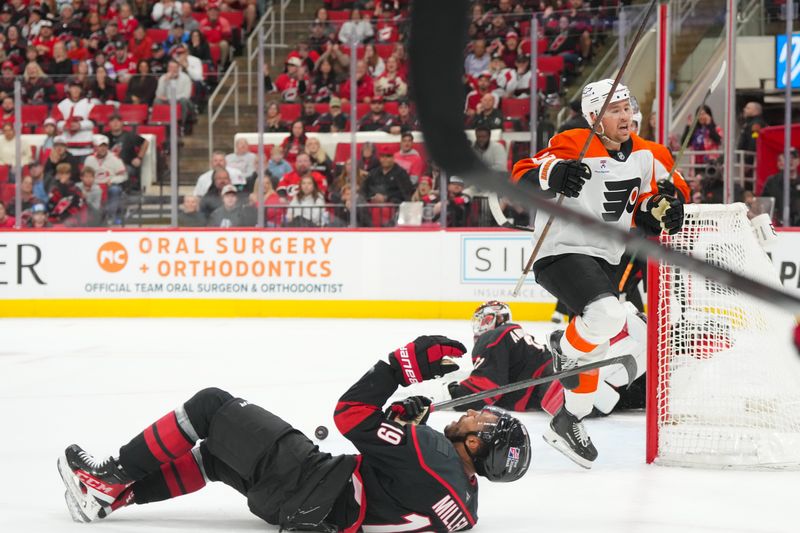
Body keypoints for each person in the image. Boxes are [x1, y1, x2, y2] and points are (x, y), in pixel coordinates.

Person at [58, 335, 531, 530]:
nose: (477, 413)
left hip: (304, 479)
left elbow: (349, 414)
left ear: (476, 444)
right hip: (308, 513)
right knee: (215, 456)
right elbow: (407, 478)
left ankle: (111, 478)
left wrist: (400, 367)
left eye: (485, 422)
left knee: (211, 406)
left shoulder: (429, 452)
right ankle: (119, 501)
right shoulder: (465, 506)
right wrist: (407, 420)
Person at [510, 79, 683, 468]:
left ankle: (569, 418)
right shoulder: (574, 142)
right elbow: (522, 171)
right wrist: (552, 176)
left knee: (601, 342)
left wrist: (663, 208)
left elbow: (651, 202)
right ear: (593, 118)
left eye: (627, 107)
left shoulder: (646, 153)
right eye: (613, 109)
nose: (624, 116)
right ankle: (564, 348)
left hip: (606, 256)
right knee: (608, 317)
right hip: (561, 251)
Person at [83, 134, 128, 224]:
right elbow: (85, 175)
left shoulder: (115, 158)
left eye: (105, 146)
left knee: (114, 190)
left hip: (109, 185)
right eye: (100, 146)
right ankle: (90, 217)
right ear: (95, 147)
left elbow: (124, 176)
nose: (103, 149)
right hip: (93, 185)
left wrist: (112, 180)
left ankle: (111, 216)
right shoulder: (89, 159)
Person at [106, 114, 148, 191]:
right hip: (109, 166)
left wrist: (139, 158)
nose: (115, 123)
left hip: (127, 165)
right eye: (112, 121)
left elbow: (145, 142)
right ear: (109, 124)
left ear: (122, 123)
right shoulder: (105, 137)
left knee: (125, 171)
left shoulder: (129, 135)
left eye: (118, 121)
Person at [154, 59, 195, 135]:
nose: (172, 69)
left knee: (184, 101)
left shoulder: (186, 78)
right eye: (170, 67)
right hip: (167, 101)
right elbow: (159, 94)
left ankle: (181, 125)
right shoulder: (163, 78)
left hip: (180, 101)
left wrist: (170, 98)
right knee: (157, 100)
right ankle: (160, 125)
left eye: (174, 67)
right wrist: (165, 81)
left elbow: (186, 95)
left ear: (178, 68)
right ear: (168, 68)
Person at [761, 148, 800, 226]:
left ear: (798, 161)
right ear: (782, 161)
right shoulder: (772, 182)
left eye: (793, 158)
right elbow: (764, 204)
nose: (791, 161)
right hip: (779, 228)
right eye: (787, 158)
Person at [47, 161, 87, 226]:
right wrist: (61, 185)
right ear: (57, 175)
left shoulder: (76, 189)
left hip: (73, 222)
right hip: (56, 222)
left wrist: (65, 217)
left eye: (66, 173)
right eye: (61, 173)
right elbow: (51, 206)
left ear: (70, 175)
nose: (64, 176)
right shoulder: (54, 189)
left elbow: (79, 205)